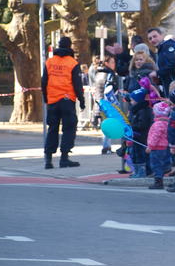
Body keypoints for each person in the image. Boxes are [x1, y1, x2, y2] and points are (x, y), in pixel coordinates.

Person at [41, 36, 85, 169]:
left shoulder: (49, 62)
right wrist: (81, 100)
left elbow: (44, 82)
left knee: (52, 129)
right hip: (67, 100)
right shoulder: (72, 63)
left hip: (52, 101)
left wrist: (46, 98)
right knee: (69, 128)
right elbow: (77, 84)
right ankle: (64, 158)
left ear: (59, 46)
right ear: (69, 46)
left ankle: (48, 160)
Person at [93, 54, 119, 154]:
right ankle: (106, 147)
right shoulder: (109, 74)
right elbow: (110, 89)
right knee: (108, 125)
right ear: (107, 63)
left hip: (99, 102)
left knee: (106, 124)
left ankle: (106, 146)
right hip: (106, 103)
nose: (114, 64)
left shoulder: (98, 73)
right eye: (112, 62)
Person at [147, 101, 171, 189]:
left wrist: (150, 146)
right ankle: (163, 173)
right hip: (164, 146)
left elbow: (155, 136)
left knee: (156, 164)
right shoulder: (167, 123)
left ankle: (158, 181)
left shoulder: (158, 124)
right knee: (161, 163)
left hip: (157, 147)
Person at [147, 27, 175, 94]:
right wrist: (159, 80)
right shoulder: (160, 50)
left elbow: (173, 64)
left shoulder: (168, 46)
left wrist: (157, 73)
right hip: (169, 87)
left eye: (155, 36)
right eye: (150, 38)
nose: (152, 40)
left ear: (161, 35)